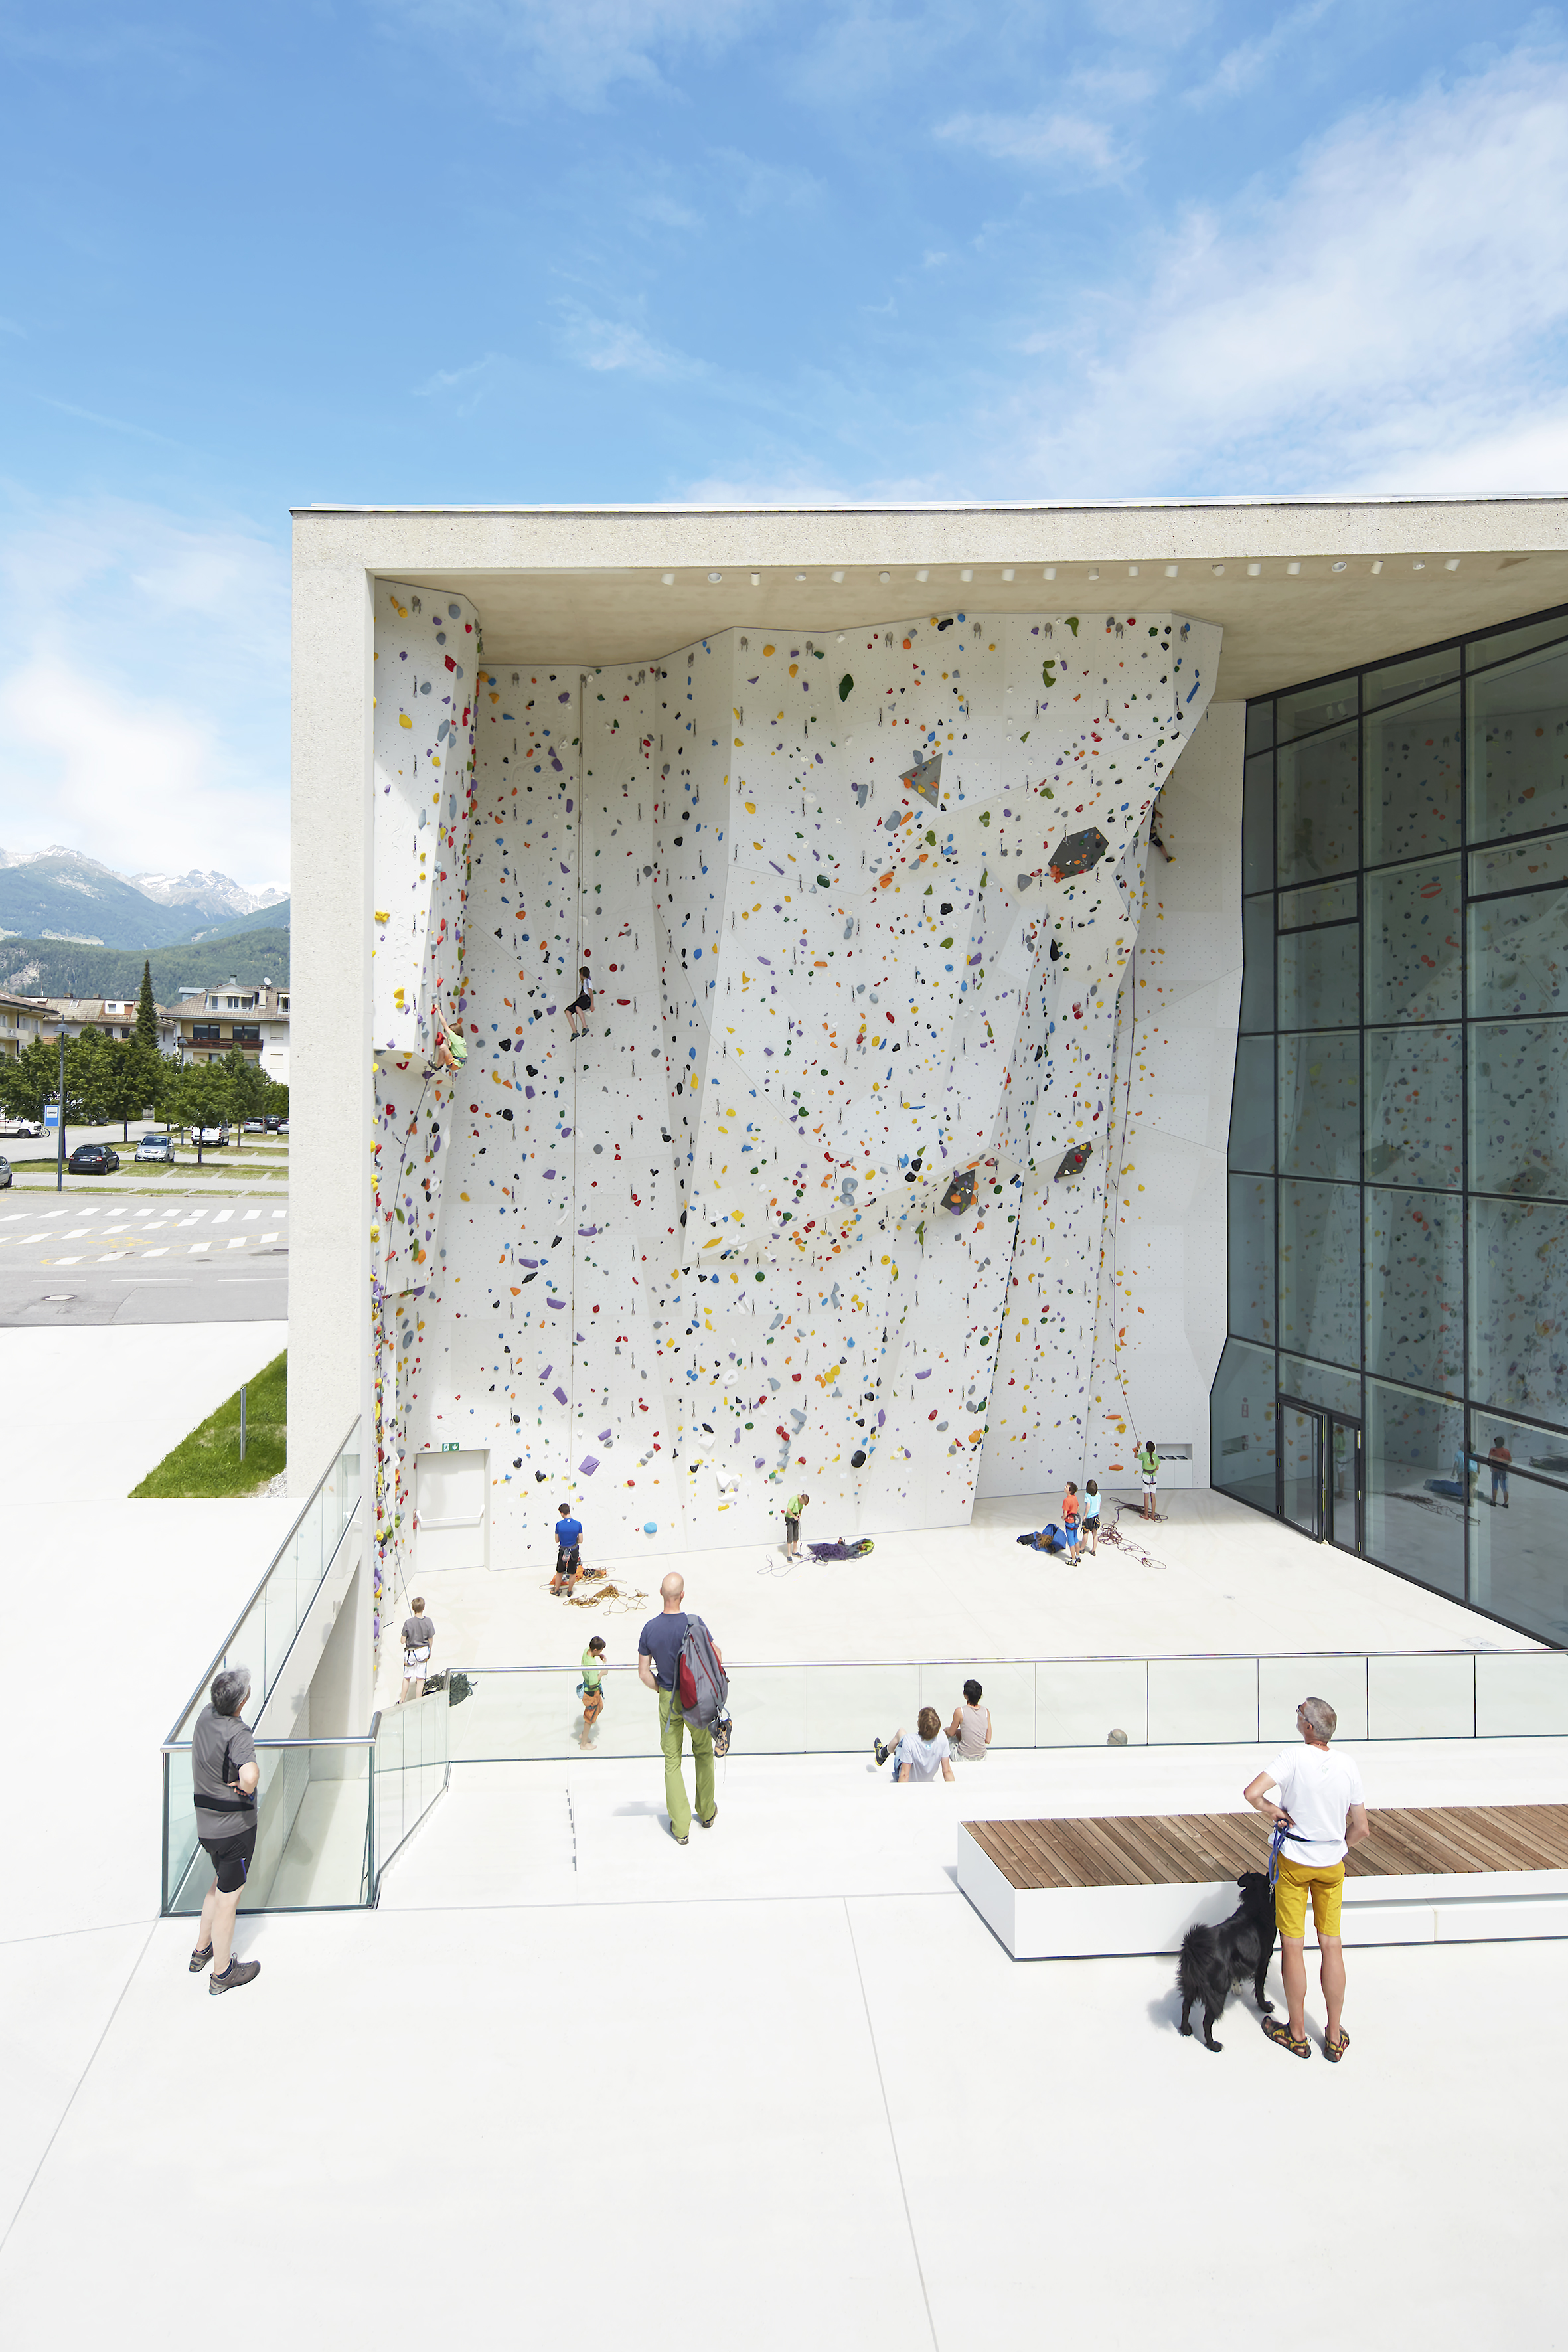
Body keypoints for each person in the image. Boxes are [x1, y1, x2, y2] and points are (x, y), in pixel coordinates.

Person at [1243, 1696, 1370, 2061]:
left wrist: (1273, 1811)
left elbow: (1252, 1793)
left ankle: (1297, 2033)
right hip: (1331, 1865)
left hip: (1295, 1861)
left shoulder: (1293, 1758)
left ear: (1309, 1728)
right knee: (1332, 1945)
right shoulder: (1347, 1765)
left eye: (1300, 1715)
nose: (1297, 1719)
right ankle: (1333, 2034)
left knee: (1294, 1946)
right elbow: (1361, 1827)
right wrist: (1338, 1848)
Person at [188, 1664, 262, 1996]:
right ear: (242, 1702)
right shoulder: (238, 1732)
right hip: (234, 1832)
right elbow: (250, 1776)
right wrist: (246, 1787)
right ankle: (222, 1973)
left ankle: (201, 1951)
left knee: (218, 1887)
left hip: (207, 1826)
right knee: (229, 1900)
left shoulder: (205, 1715)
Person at [637, 1571, 720, 1843]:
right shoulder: (694, 1623)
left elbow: (644, 1673)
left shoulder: (650, 1628)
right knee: (704, 1752)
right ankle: (706, 1812)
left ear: (661, 1593)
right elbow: (716, 1655)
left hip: (668, 1698)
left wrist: (661, 1689)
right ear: (682, 1595)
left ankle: (681, 1827)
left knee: (672, 1762)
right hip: (696, 1698)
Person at [874, 1707, 955, 1782]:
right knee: (902, 1735)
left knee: (901, 1733)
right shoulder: (942, 1738)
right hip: (927, 1780)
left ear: (919, 1724)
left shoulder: (909, 1740)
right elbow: (947, 1771)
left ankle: (882, 1754)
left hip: (909, 1781)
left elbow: (905, 1775)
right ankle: (882, 1753)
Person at [947, 1678, 992, 1761]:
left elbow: (951, 1733)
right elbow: (988, 1740)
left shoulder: (960, 1712)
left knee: (948, 1736)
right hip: (982, 1757)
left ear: (965, 1695)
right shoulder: (986, 1712)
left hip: (963, 1757)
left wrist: (948, 1730)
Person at [401, 1597, 435, 1699]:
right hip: (423, 1652)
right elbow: (430, 1639)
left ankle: (402, 1700)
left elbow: (402, 1641)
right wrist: (429, 1651)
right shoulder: (428, 1622)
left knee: (407, 1677)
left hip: (410, 1653)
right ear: (423, 1608)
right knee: (420, 1679)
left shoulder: (408, 1623)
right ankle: (418, 1701)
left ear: (413, 1608)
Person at [579, 1635, 607, 1750]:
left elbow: (592, 1651)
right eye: (600, 1650)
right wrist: (602, 1673)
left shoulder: (587, 1651)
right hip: (592, 1694)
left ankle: (584, 1734)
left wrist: (599, 1655)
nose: (601, 1652)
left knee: (600, 1707)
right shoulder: (592, 1665)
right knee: (589, 1718)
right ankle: (584, 1743)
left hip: (593, 1694)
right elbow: (593, 1683)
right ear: (595, 1650)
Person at [551, 1502, 584, 1593]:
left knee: (560, 1571)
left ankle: (556, 1590)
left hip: (563, 1551)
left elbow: (557, 1540)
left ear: (562, 1513)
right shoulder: (578, 1524)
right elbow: (581, 1541)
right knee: (572, 1572)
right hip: (574, 1551)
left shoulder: (559, 1524)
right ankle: (569, 1591)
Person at [566, 966, 595, 1039]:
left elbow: (591, 993)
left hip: (586, 999)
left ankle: (585, 1027)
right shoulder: (581, 982)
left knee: (577, 1007)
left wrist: (592, 1004)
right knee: (567, 1011)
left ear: (582, 974)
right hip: (580, 999)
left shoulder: (588, 981)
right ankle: (574, 1032)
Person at [1137, 1439, 1160, 1519]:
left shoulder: (1144, 1455)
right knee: (1153, 1496)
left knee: (1146, 1496)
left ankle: (1146, 1515)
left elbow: (1136, 1456)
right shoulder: (1156, 1457)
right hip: (1154, 1478)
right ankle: (1153, 1515)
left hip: (1146, 1477)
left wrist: (1138, 1446)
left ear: (1147, 1448)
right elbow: (1157, 1468)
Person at [783, 1488, 808, 1560]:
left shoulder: (801, 1502)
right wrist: (794, 1516)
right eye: (802, 1503)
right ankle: (789, 1554)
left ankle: (794, 1551)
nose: (802, 1504)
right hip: (789, 1518)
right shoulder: (793, 1500)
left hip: (795, 1518)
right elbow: (788, 1510)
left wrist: (799, 1514)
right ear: (800, 1499)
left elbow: (800, 1509)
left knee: (796, 1535)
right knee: (790, 1535)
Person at [1488, 1433, 1512, 1509]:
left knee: (1495, 1486)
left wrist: (1492, 1465)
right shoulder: (1506, 1451)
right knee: (1505, 1486)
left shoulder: (1493, 1450)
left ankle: (1494, 1501)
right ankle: (1506, 1502)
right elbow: (1509, 1461)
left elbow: (1490, 1459)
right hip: (1504, 1470)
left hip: (1495, 1470)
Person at [1081, 1478, 1101, 1556]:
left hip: (1089, 1517)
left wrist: (1085, 1515)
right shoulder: (1098, 1494)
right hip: (1096, 1516)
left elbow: (1088, 1506)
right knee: (1095, 1534)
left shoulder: (1087, 1495)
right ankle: (1094, 1550)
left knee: (1086, 1532)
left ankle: (1082, 1548)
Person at [1062, 1481, 1081, 1557]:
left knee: (1071, 1542)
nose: (1065, 1487)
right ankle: (1078, 1556)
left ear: (1070, 1490)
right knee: (1076, 1538)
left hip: (1069, 1522)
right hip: (1076, 1521)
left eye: (1067, 1487)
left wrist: (1063, 1517)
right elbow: (1078, 1508)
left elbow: (1065, 1514)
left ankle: (1073, 1560)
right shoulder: (1075, 1497)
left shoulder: (1066, 1500)